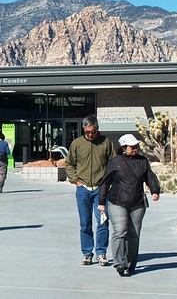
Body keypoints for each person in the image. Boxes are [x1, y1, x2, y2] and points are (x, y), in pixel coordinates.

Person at [98, 134, 161, 276]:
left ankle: (131, 263)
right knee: (120, 231)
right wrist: (101, 202)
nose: (135, 149)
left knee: (134, 234)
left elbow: (149, 177)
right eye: (132, 147)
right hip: (117, 202)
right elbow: (105, 182)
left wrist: (155, 190)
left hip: (137, 203)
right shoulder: (115, 162)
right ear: (124, 148)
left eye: (136, 146)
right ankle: (119, 263)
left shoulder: (142, 161)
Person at [65, 114, 115, 266]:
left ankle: (101, 252)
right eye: (87, 132)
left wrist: (108, 182)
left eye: (93, 131)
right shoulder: (77, 144)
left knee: (102, 222)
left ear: (97, 129)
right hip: (83, 189)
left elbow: (113, 163)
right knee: (85, 223)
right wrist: (76, 181)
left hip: (101, 189)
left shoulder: (106, 143)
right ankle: (87, 253)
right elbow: (69, 164)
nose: (90, 135)